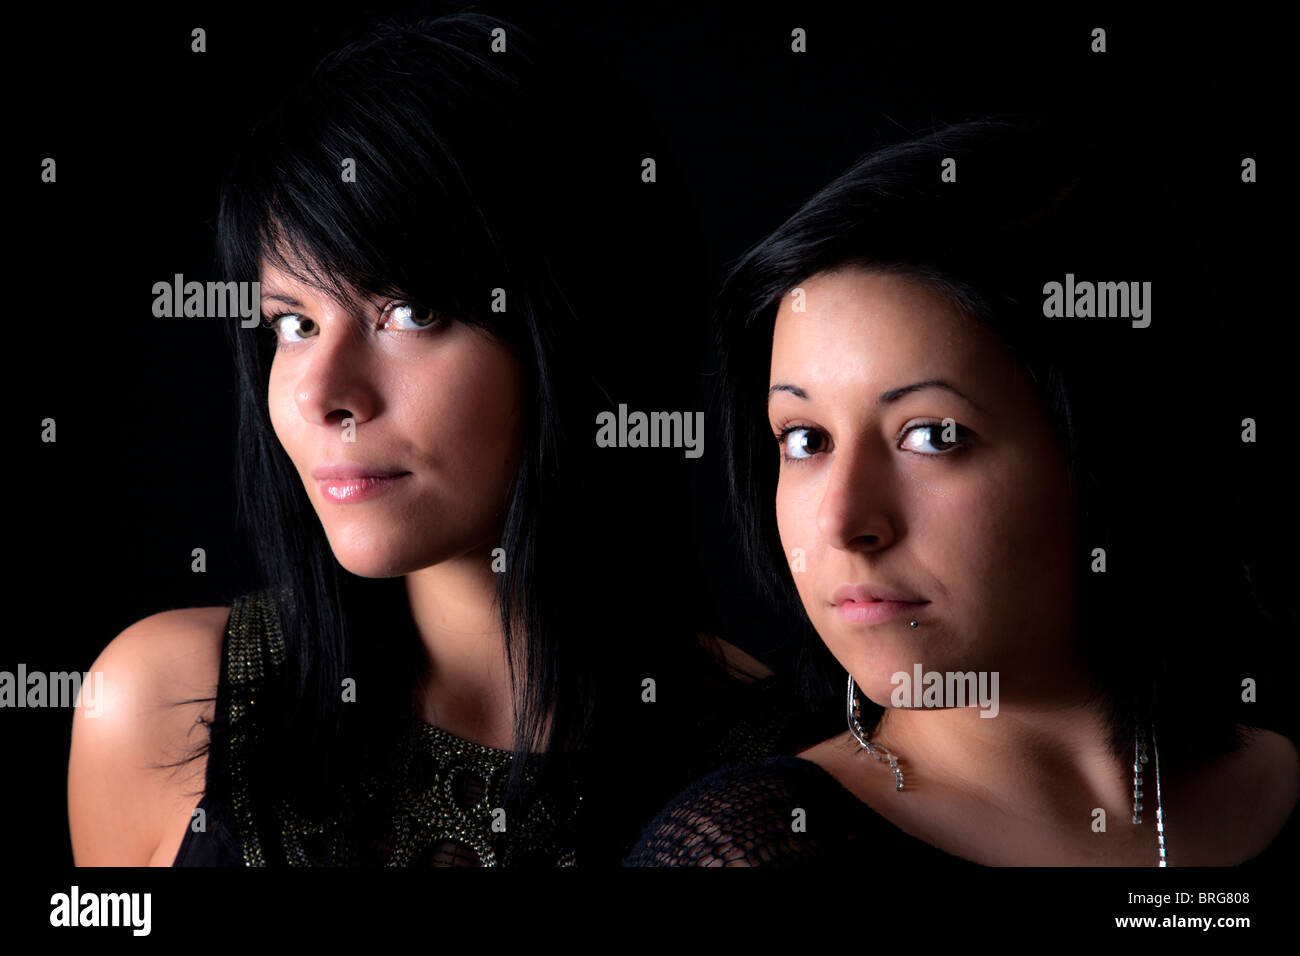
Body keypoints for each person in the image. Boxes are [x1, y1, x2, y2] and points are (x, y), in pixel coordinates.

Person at [68, 10, 811, 867]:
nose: (321, 393)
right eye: (293, 323)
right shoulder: (160, 704)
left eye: (409, 313)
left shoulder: (782, 777)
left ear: (575, 332)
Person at [625, 118, 1299, 867]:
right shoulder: (754, 852)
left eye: (932, 435)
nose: (844, 523)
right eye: (805, 439)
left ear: (1113, 449)